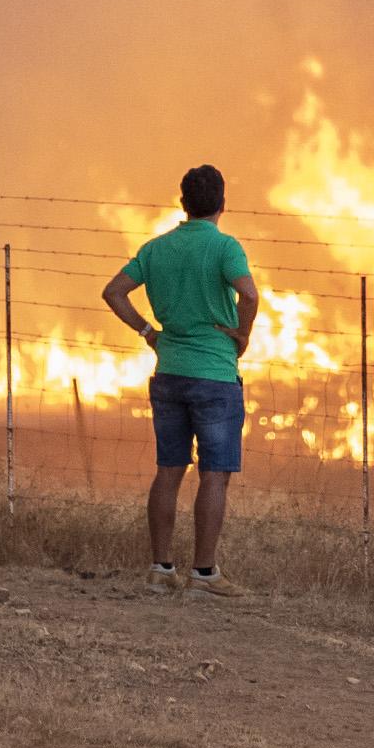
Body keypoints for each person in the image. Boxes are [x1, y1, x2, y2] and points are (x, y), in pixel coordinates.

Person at [101, 163, 260, 593]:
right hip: (214, 375)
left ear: (183, 204)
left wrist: (149, 332)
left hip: (168, 371)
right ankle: (204, 574)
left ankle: (161, 570)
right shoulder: (226, 248)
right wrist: (241, 334)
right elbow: (248, 293)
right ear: (222, 204)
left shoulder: (156, 249)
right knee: (215, 474)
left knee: (168, 470)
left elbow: (113, 291)